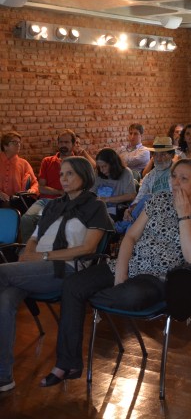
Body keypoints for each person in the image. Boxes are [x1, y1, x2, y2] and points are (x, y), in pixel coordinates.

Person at [40, 158, 191, 387]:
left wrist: (184, 215)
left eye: (184, 179)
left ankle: (95, 299)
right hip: (127, 265)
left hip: (160, 278)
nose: (175, 183)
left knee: (128, 297)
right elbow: (131, 237)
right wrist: (120, 273)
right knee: (73, 285)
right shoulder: (157, 200)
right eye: (174, 176)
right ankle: (67, 364)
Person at [0, 157, 113, 392]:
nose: (63, 179)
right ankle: (4, 376)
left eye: (70, 174)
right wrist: (28, 256)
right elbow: (33, 238)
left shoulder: (95, 206)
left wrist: (42, 257)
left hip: (65, 270)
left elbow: (87, 249)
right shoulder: (53, 205)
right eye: (62, 174)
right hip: (33, 271)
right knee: (4, 300)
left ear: (85, 175)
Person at [19, 130, 76, 243]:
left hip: (64, 202)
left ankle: (43, 249)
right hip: (45, 201)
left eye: (67, 142)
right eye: (61, 142)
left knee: (45, 220)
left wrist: (59, 194)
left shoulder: (78, 162)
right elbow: (41, 188)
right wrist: (59, 192)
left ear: (73, 144)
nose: (63, 145)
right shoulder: (47, 161)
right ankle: (27, 248)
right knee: (26, 219)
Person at [120, 137, 177, 227]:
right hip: (152, 212)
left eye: (163, 155)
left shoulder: (179, 172)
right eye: (155, 155)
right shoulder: (149, 176)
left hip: (173, 211)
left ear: (172, 155)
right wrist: (130, 209)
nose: (158, 159)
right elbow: (140, 197)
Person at [91, 148, 137, 218]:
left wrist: (107, 199)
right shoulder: (98, 172)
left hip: (117, 209)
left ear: (113, 164)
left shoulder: (126, 173)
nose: (101, 170)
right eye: (99, 167)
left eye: (104, 166)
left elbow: (131, 196)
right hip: (99, 208)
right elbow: (92, 192)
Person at [0, 131, 38, 207]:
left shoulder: (24, 163)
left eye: (19, 142)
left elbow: (35, 183)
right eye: (14, 142)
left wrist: (33, 190)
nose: (18, 145)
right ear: (5, 146)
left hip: (17, 201)